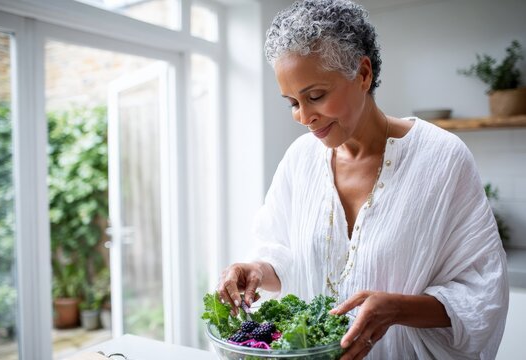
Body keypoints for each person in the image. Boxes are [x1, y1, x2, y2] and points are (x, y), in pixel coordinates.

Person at [217, 0, 509, 358]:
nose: (303, 116)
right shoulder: (299, 161)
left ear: (363, 74)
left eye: (315, 96)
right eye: (292, 102)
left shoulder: (442, 158)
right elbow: (283, 255)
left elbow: (481, 293)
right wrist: (256, 270)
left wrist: (396, 309)